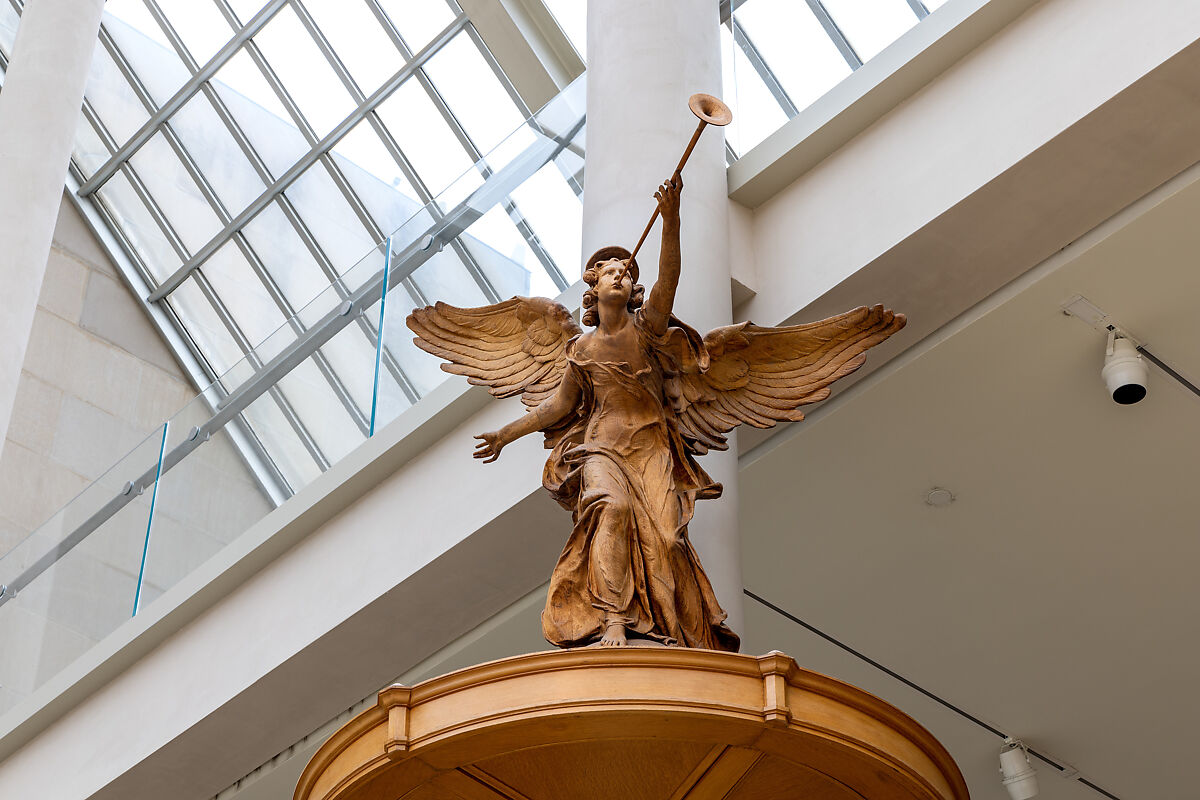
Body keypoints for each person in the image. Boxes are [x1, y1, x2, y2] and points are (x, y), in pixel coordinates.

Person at [472, 175, 741, 650]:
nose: (622, 275)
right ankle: (614, 619)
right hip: (602, 449)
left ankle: (672, 631)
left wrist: (672, 217)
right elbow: (558, 406)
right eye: (611, 271)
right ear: (592, 289)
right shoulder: (581, 350)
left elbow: (670, 277)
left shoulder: (650, 331)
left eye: (627, 273)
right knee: (611, 510)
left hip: (651, 448)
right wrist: (505, 434)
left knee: (669, 541)